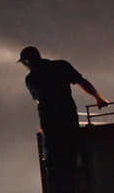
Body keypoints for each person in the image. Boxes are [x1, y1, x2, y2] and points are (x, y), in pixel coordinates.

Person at [18, 46, 109, 174]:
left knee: (54, 164)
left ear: (28, 61)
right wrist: (98, 98)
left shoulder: (31, 79)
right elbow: (82, 82)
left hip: (50, 126)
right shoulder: (61, 66)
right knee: (74, 157)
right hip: (69, 119)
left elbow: (38, 99)